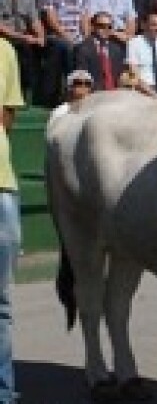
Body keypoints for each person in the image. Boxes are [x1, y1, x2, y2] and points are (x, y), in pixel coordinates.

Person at [0, 36, 23, 404]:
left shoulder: (4, 49)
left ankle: (4, 391)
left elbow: (7, 115)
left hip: (1, 186)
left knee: (1, 303)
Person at [125, 11, 157, 95]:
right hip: (142, 89)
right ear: (144, 25)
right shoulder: (134, 43)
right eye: (153, 25)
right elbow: (134, 74)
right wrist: (153, 94)